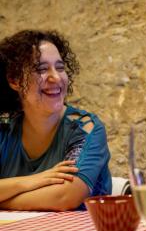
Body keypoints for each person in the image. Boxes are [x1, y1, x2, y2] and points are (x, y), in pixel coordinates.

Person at [0, 30, 112, 211]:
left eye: (60, 68)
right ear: (14, 80)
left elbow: (65, 196)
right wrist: (30, 181)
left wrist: (5, 197)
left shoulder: (86, 128)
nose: (57, 77)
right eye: (41, 69)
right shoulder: (4, 127)